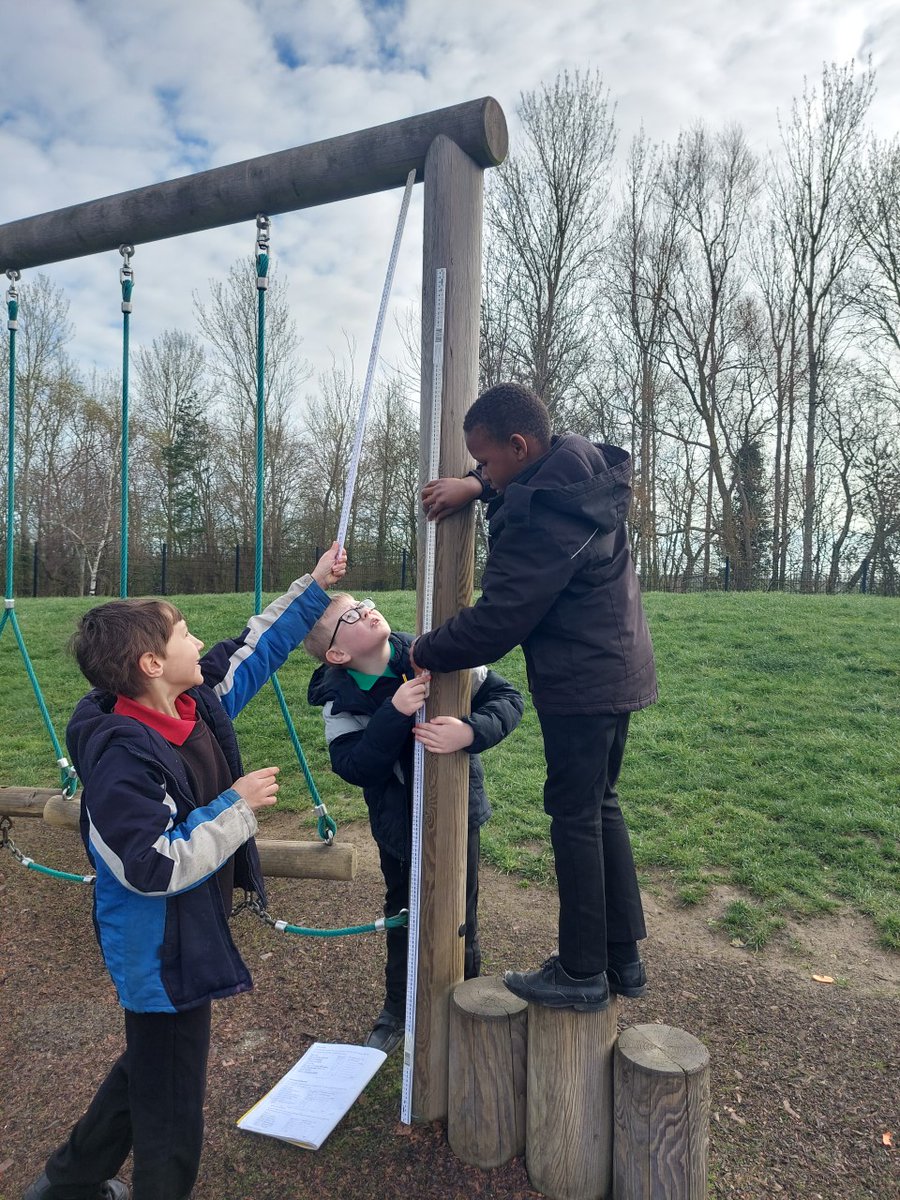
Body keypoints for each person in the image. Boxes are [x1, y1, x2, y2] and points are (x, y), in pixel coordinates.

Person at [24, 544, 347, 1200]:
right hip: (157, 944)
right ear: (151, 664)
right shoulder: (121, 762)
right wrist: (237, 808)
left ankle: (66, 1184)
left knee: (151, 1066)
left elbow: (256, 645)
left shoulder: (193, 699)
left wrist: (313, 587)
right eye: (184, 633)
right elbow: (150, 865)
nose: (200, 641)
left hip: (185, 925)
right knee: (171, 1103)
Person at [413, 381, 657, 1013]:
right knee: (601, 805)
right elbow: (513, 480)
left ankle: (580, 973)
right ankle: (621, 957)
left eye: (486, 460)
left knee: (574, 816)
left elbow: (500, 619)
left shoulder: (549, 517)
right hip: (614, 664)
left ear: (520, 446)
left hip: (583, 681)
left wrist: (426, 650)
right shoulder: (576, 472)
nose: (482, 471)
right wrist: (477, 484)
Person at [304, 593, 524, 1054]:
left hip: (459, 812)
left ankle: (468, 997)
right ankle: (399, 1008)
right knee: (405, 911)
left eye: (363, 602)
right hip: (399, 826)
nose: (367, 609)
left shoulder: (436, 655)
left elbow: (507, 697)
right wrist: (395, 712)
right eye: (351, 616)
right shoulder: (339, 699)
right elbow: (356, 766)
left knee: (461, 908)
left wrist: (471, 730)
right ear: (338, 655)